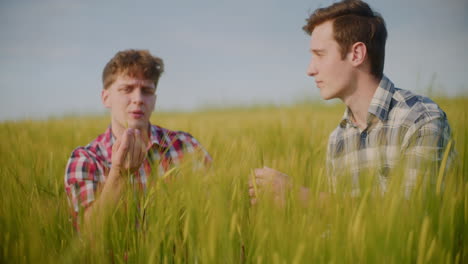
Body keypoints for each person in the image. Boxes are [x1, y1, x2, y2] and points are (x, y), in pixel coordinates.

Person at [249, 0, 453, 204]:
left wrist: (301, 197)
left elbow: (412, 211)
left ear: (356, 54)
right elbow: (340, 221)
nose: (310, 70)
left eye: (320, 55)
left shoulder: (419, 118)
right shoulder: (338, 139)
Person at [64, 49, 211, 230]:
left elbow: (217, 208)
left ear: (154, 100)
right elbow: (88, 235)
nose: (138, 99)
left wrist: (250, 195)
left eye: (147, 91)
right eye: (127, 89)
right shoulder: (86, 159)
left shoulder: (186, 146)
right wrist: (119, 175)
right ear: (106, 98)